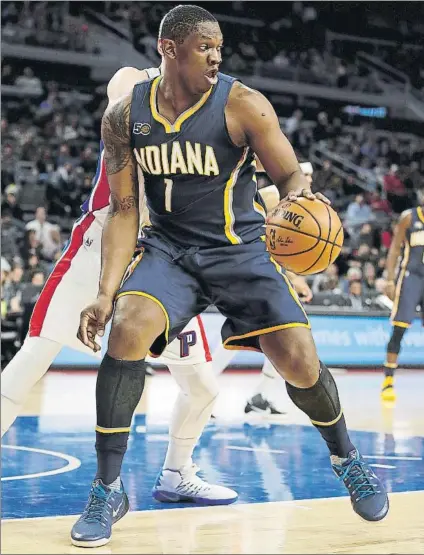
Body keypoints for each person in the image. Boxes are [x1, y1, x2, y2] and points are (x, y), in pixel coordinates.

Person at [73, 5, 388, 547]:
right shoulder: (126, 117)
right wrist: (104, 292)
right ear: (169, 49)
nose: (217, 55)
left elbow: (289, 173)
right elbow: (125, 209)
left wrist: (298, 201)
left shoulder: (243, 104)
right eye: (204, 46)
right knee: (126, 328)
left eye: (220, 46)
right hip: (169, 249)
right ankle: (107, 488)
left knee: (299, 358)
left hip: (239, 248)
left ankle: (347, 457)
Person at [1, 65, 238, 510]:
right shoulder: (134, 81)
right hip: (103, 242)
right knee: (32, 359)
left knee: (203, 387)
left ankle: (176, 474)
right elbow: (125, 102)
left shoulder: (219, 113)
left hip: (159, 258)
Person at [212, 162, 314, 416]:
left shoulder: (301, 207)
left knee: (282, 331)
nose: (310, 181)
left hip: (263, 271)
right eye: (306, 175)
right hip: (242, 266)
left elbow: (280, 246)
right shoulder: (269, 195)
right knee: (246, 330)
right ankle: (203, 389)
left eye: (311, 176)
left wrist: (293, 274)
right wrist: (293, 276)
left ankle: (261, 395)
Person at [381, 195, 424, 402]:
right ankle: (388, 381)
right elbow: (395, 248)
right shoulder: (410, 217)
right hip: (411, 278)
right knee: (399, 328)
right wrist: (389, 280)